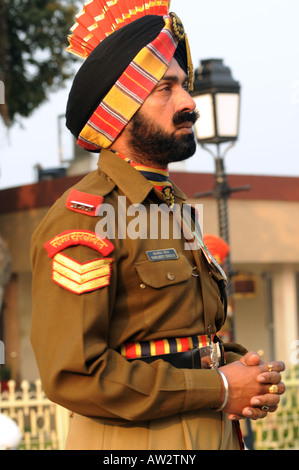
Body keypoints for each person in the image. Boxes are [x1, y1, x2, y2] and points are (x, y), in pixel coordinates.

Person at [30, 1, 285, 450]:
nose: (189, 102)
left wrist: (240, 368)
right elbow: (75, 374)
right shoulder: (83, 216)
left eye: (184, 86)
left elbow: (168, 338)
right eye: (165, 88)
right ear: (120, 110)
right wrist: (221, 388)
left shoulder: (170, 207)